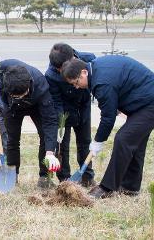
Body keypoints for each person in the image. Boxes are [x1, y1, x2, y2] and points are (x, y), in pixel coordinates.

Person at [61, 56, 154, 199]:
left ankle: (107, 188)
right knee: (135, 144)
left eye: (76, 82)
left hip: (149, 103)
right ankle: (130, 187)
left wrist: (98, 141)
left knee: (123, 139)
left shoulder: (102, 82)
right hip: (141, 101)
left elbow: (108, 118)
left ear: (84, 72)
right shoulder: (96, 68)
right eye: (73, 85)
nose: (77, 87)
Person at [0, 59, 61, 188]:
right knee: (12, 140)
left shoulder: (41, 86)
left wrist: (50, 152)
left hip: (35, 105)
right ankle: (12, 176)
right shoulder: (1, 71)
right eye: (16, 95)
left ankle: (44, 178)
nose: (19, 97)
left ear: (29, 85)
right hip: (12, 108)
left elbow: (50, 121)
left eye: (22, 95)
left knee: (44, 135)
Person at [45, 43, 96, 187]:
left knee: (85, 143)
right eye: (59, 69)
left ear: (72, 58)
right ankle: (65, 180)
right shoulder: (51, 74)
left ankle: (87, 176)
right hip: (64, 111)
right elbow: (56, 100)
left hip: (83, 107)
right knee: (62, 146)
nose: (62, 72)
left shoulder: (89, 59)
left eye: (63, 68)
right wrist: (60, 123)